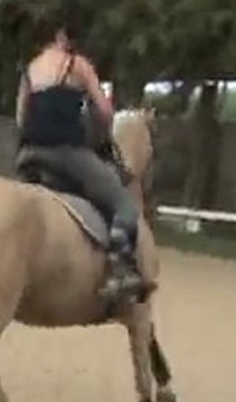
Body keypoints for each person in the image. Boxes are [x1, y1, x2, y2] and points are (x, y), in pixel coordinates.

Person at [14, 24, 145, 299]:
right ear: (61, 36)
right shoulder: (78, 64)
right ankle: (120, 271)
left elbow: (20, 118)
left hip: (27, 156)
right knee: (125, 206)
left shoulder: (30, 70)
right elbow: (106, 112)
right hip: (66, 153)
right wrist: (98, 129)